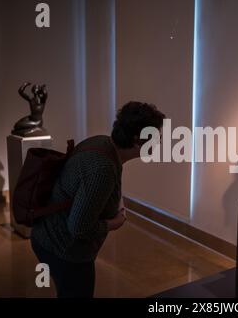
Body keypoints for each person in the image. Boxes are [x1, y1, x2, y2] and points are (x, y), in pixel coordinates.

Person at [30, 101, 166, 298]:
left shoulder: (102, 143)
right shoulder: (102, 168)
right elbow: (78, 227)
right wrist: (114, 223)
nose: (159, 142)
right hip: (63, 249)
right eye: (156, 138)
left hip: (49, 237)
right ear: (138, 140)